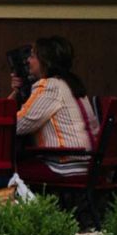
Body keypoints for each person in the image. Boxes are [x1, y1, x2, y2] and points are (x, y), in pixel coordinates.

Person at [12, 36, 99, 170]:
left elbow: (19, 125)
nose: (28, 60)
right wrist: (17, 92)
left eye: (33, 56)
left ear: (45, 61)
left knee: (9, 169)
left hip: (65, 164)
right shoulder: (71, 83)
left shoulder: (50, 86)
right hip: (87, 162)